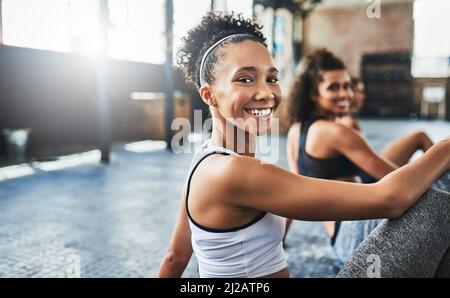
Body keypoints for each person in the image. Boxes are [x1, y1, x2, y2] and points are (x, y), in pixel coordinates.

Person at [158, 12, 450, 278]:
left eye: (272, 78)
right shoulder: (235, 172)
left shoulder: (205, 160)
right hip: (355, 227)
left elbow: (175, 257)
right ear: (208, 95)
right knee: (433, 207)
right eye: (245, 79)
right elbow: (390, 198)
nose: (266, 93)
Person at [283, 49, 435, 266]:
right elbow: (398, 182)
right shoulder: (335, 132)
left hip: (338, 243)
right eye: (333, 87)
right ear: (314, 94)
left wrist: (279, 239)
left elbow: (292, 194)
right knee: (433, 172)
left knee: (418, 139)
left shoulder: (296, 131)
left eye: (346, 85)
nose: (345, 94)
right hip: (355, 239)